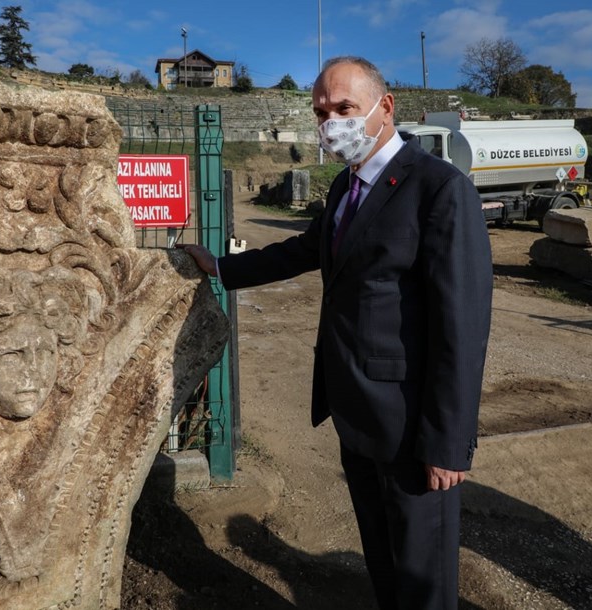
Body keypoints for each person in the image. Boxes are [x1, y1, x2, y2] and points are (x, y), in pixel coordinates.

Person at [182, 56, 492, 610]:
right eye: (321, 112)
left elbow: (461, 327)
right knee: (384, 562)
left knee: (424, 581)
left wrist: (448, 442)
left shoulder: (438, 189)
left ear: (384, 107)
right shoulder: (348, 189)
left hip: (413, 428)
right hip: (357, 413)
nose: (331, 124)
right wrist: (221, 269)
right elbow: (304, 251)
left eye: (344, 109)